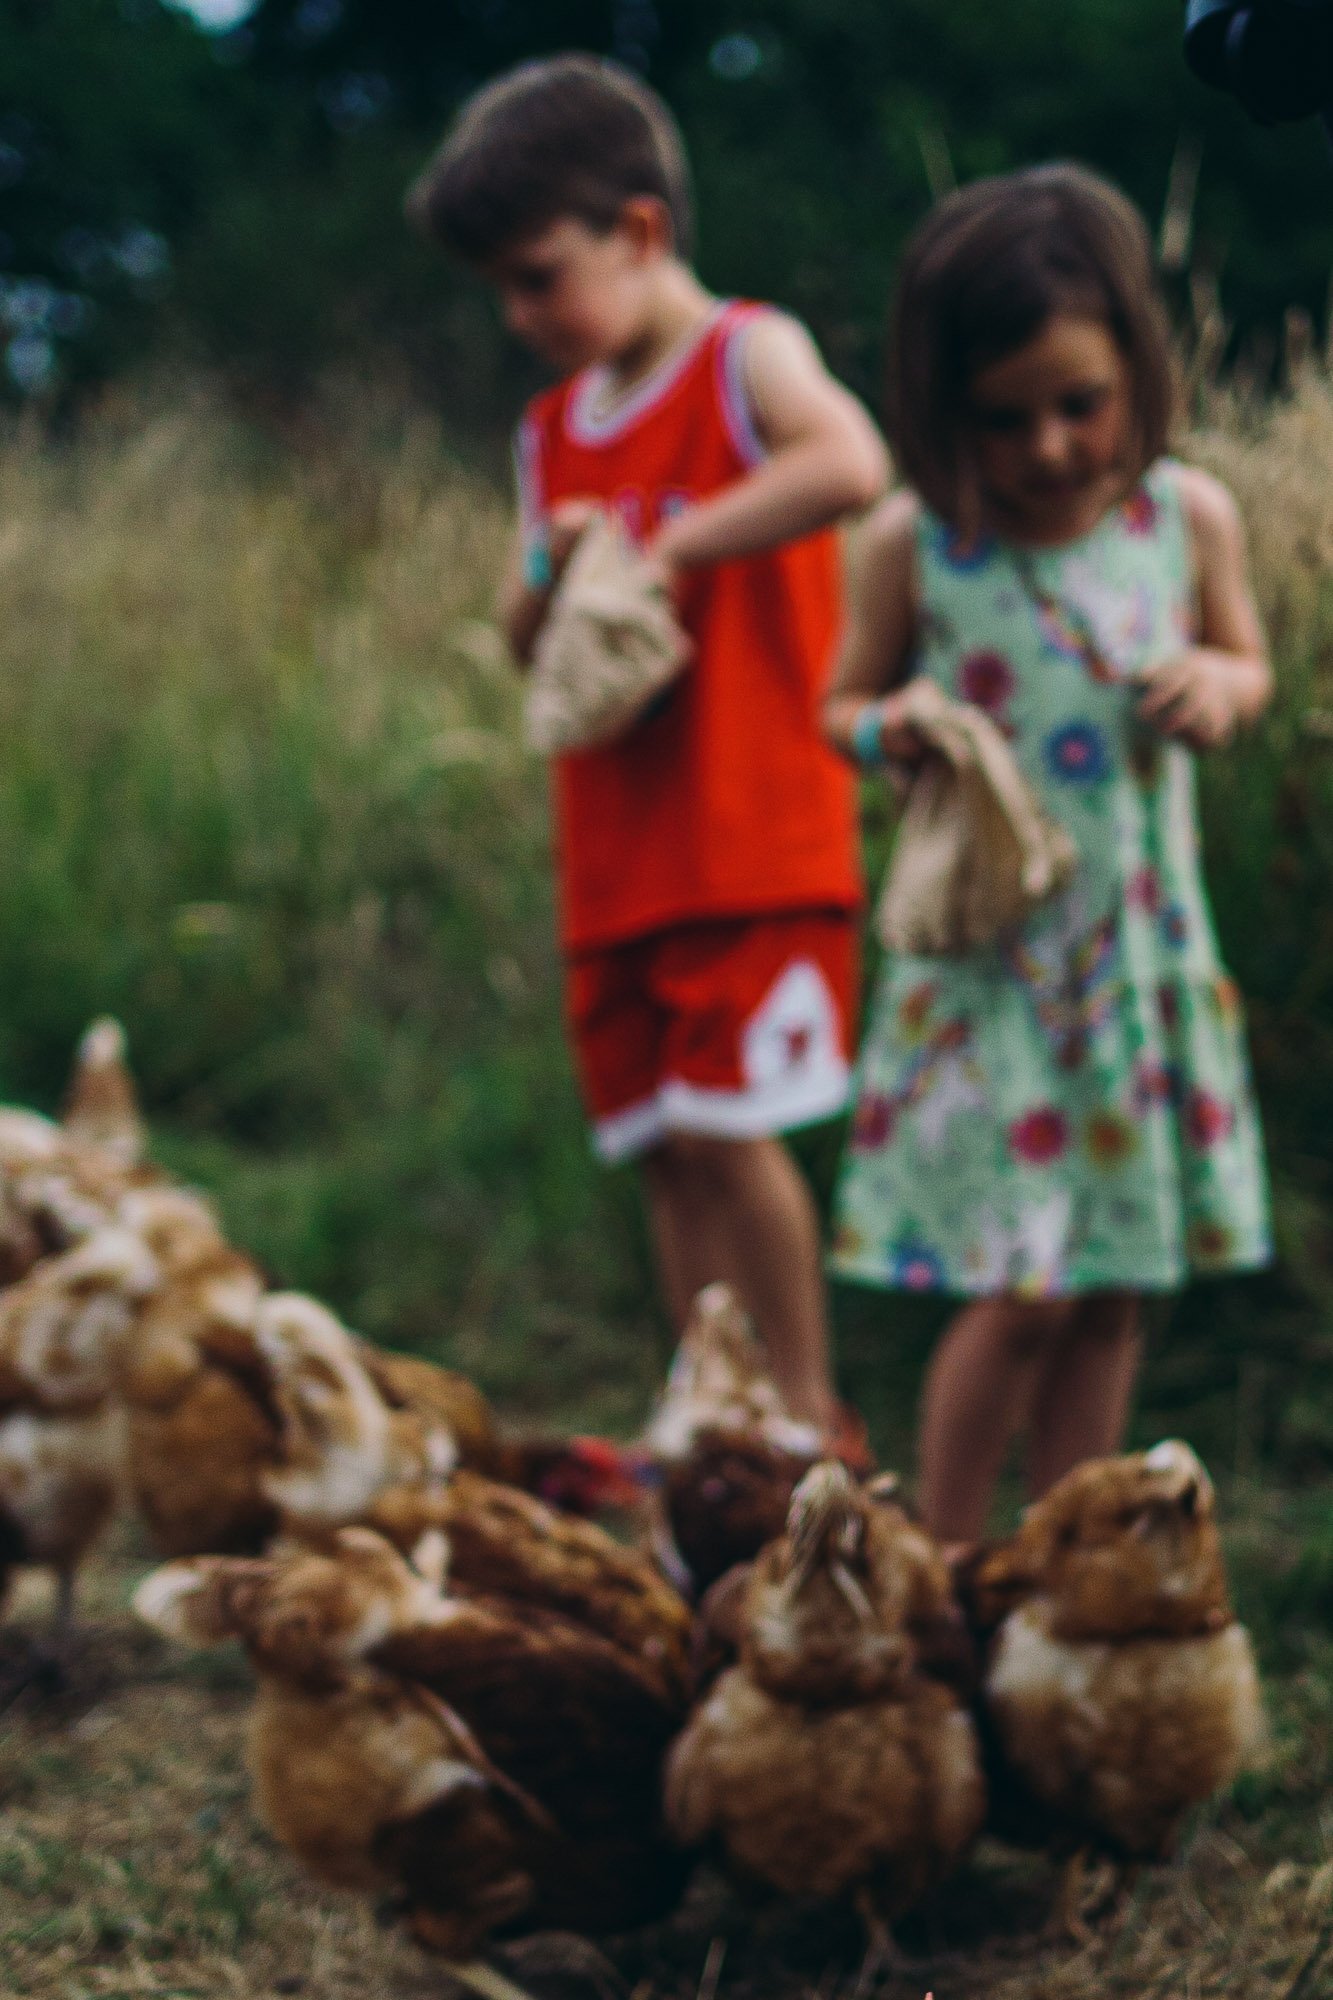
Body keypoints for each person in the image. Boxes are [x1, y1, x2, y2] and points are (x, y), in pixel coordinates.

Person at [407, 56, 887, 1444]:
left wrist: (671, 541)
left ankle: (801, 1417)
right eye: (499, 288)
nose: (521, 314)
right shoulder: (550, 432)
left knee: (735, 1137)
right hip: (616, 855)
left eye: (539, 275)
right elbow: (517, 628)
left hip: (747, 833)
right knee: (664, 1147)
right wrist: (554, 569)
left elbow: (847, 463)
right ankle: (710, 1423)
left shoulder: (742, 355)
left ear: (638, 231)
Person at [824, 164, 1273, 1544]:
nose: (1048, 447)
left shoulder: (1179, 521)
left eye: (1079, 404)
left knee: (1110, 1286)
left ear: (1135, 366)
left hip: (1133, 967)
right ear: (940, 409)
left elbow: (1244, 660)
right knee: (1015, 1291)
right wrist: (887, 724)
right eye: (1001, 418)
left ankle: (1061, 1562)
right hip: (993, 982)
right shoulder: (918, 545)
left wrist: (1215, 683)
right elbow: (840, 701)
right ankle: (946, 1567)